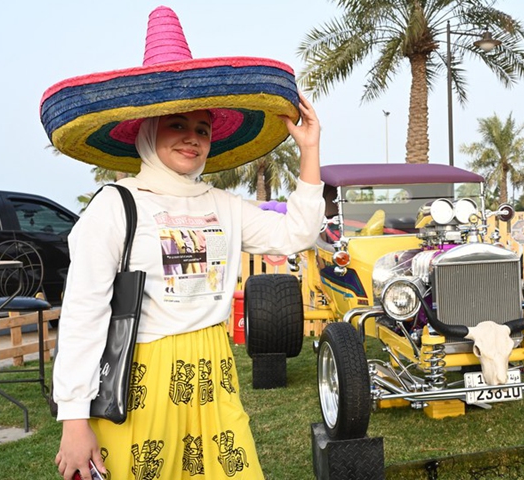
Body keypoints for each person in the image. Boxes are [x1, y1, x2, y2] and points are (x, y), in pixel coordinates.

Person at [40, 6, 324, 479]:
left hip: (214, 375)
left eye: (203, 129)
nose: (192, 140)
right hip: (140, 384)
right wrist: (73, 418)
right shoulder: (115, 206)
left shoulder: (224, 205)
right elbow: (84, 312)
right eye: (178, 125)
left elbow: (297, 233)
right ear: (147, 130)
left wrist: (310, 150)